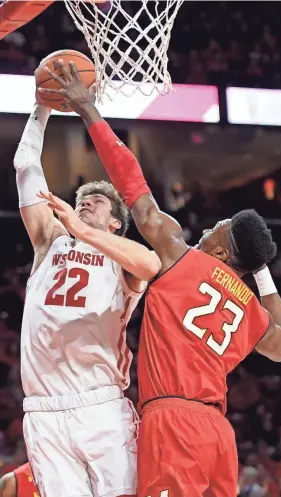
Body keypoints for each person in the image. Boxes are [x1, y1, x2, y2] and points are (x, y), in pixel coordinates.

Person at [39, 60, 281, 497]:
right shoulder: (251, 312)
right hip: (218, 434)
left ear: (218, 251)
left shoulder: (181, 257)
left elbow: (132, 182)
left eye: (217, 227)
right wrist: (260, 270)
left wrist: (89, 112)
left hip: (174, 423)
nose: (208, 228)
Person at [14, 82, 161, 497]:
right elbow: (25, 165)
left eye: (98, 203)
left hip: (99, 404)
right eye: (82, 200)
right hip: (42, 408)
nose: (86, 204)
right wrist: (41, 108)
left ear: (116, 222)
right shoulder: (50, 240)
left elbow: (150, 264)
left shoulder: (122, 256)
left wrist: (81, 229)